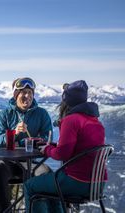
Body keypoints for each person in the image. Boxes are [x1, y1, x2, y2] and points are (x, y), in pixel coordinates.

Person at [24, 80, 106, 213]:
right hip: (98, 184)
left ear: (66, 101)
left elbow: (62, 154)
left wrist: (47, 149)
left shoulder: (71, 120)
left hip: (77, 181)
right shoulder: (95, 121)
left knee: (30, 186)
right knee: (51, 186)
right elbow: (79, 147)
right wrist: (54, 146)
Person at [0, 77, 53, 212]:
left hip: (30, 163)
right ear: (15, 95)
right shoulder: (5, 114)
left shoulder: (41, 114)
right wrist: (14, 134)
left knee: (48, 175)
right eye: (23, 92)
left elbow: (47, 138)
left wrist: (33, 141)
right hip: (8, 162)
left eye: (30, 93)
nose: (27, 96)